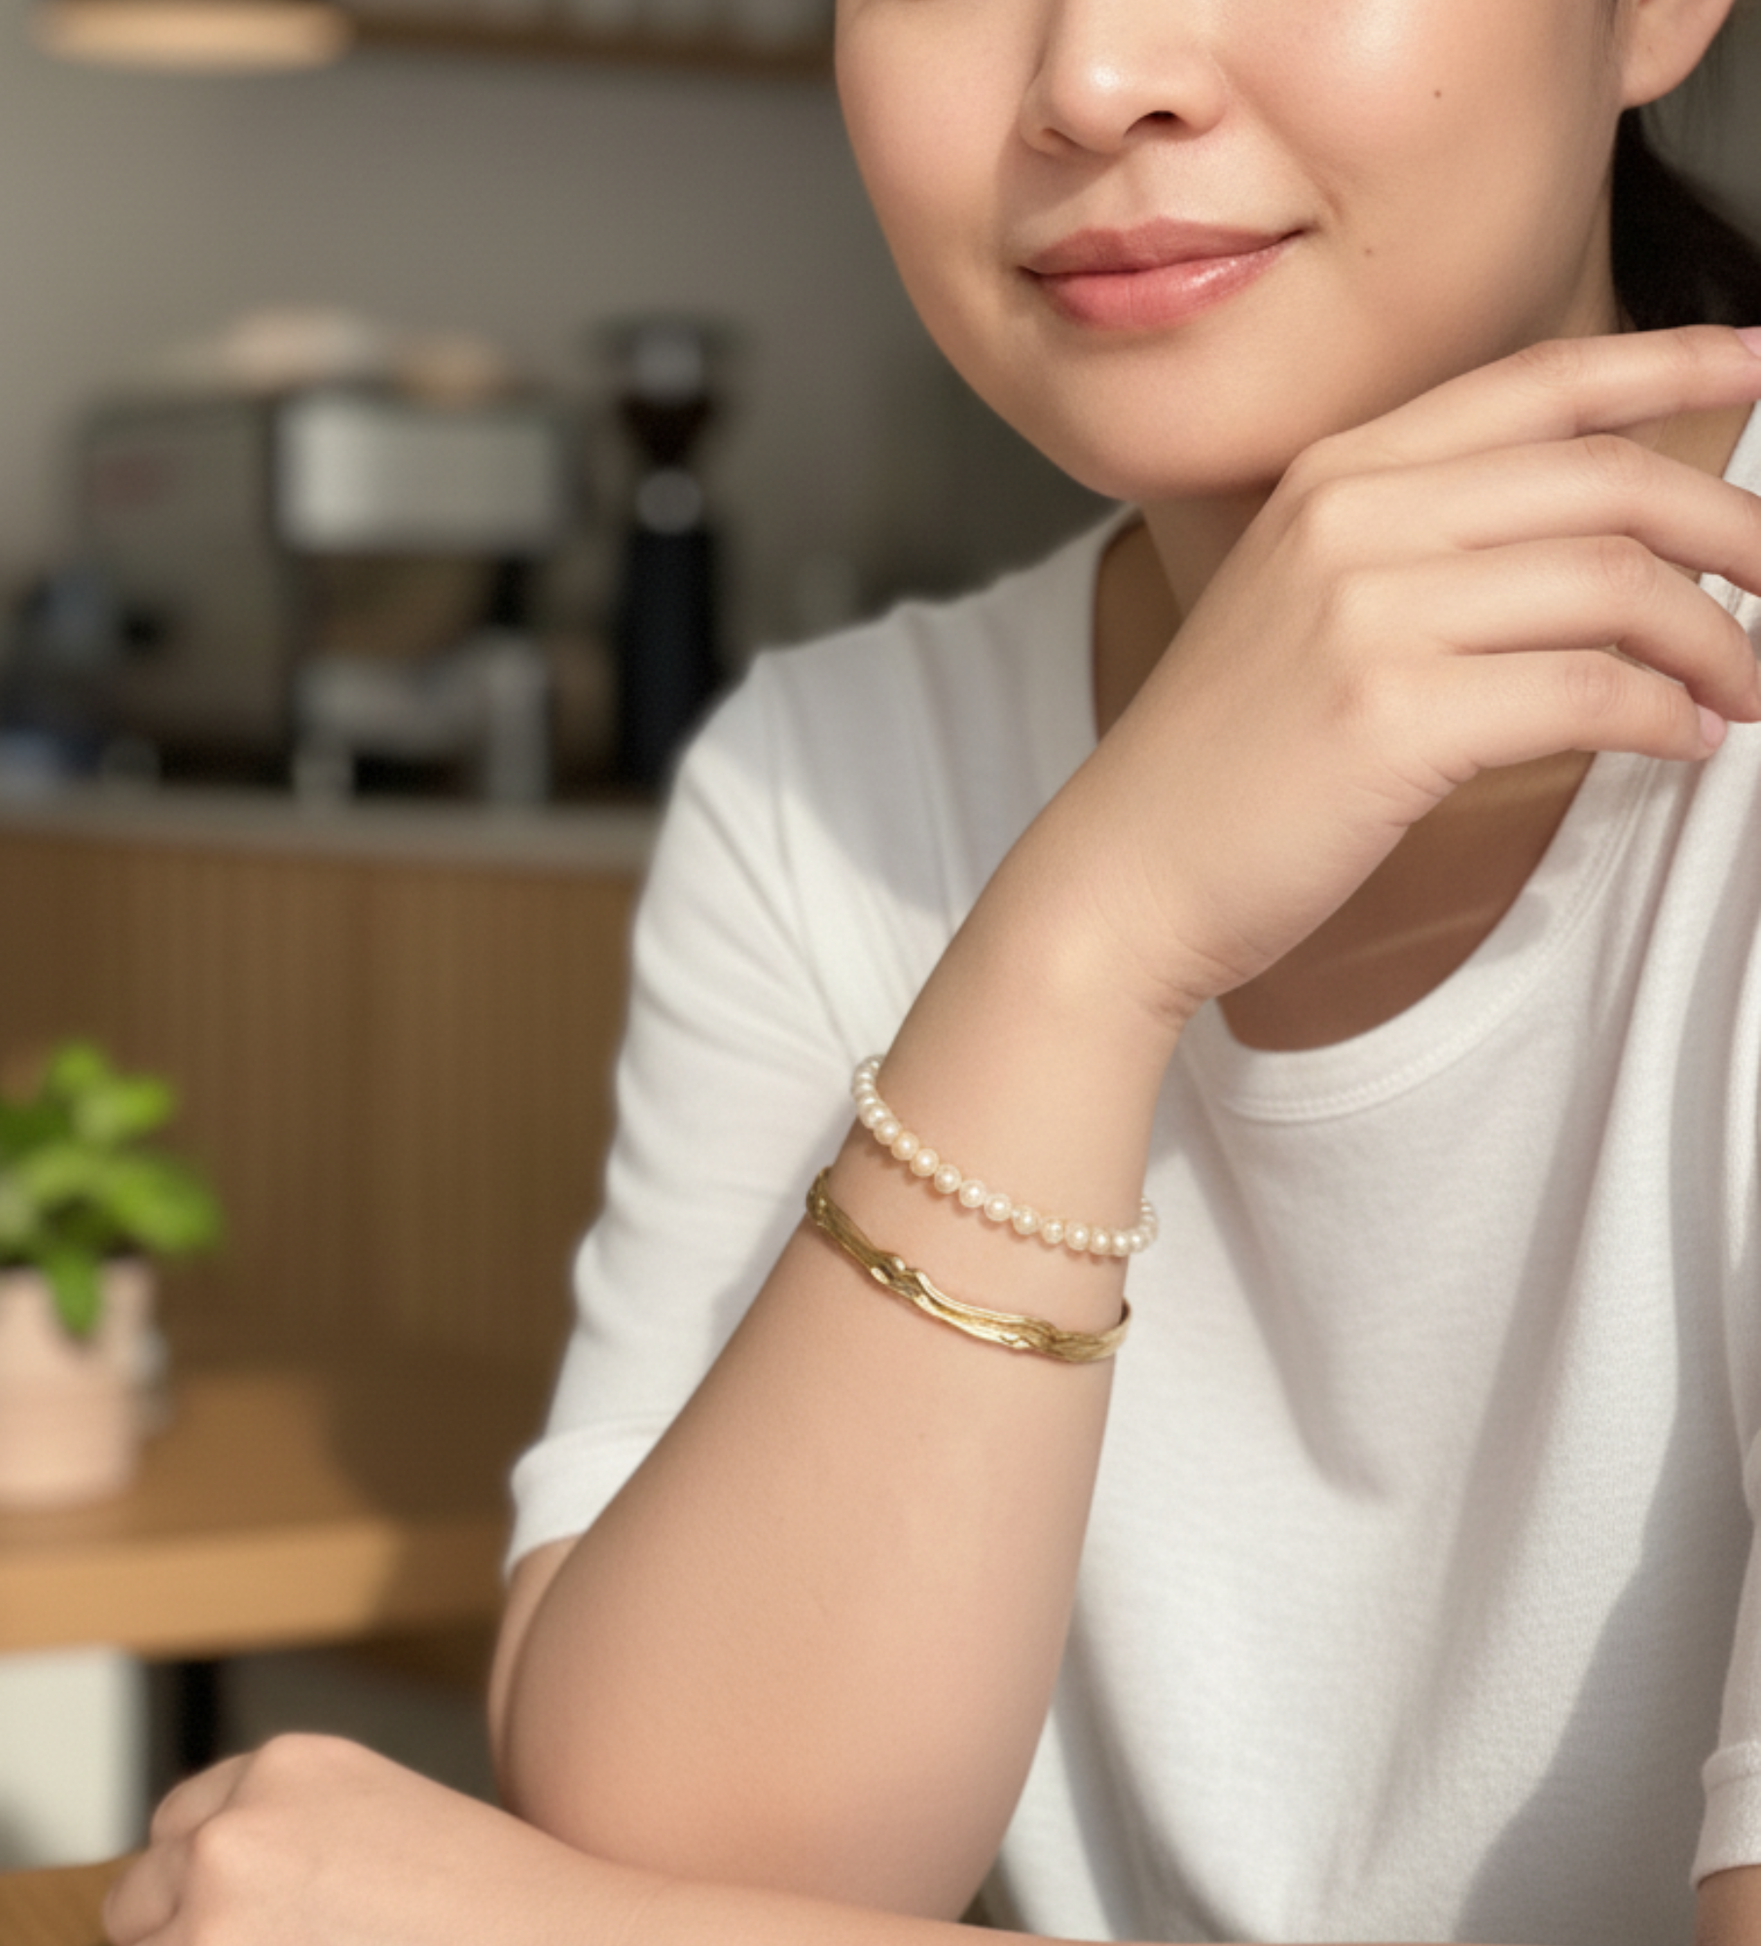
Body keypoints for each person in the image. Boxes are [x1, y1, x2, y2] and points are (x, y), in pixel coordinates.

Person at [104, 0, 1761, 1940]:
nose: (1089, 74)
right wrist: (1090, 929)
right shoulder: (826, 775)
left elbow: (631, 1911)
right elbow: (707, 1834)